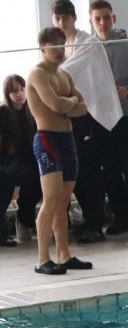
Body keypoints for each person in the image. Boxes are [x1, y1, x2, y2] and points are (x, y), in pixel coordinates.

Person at [52, 0, 123, 243]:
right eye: (57, 18)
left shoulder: (88, 43)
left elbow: (64, 72)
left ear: (74, 18)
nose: (62, 22)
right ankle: (88, 219)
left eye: (66, 17)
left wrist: (43, 76)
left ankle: (95, 224)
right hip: (71, 116)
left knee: (91, 171)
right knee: (76, 171)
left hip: (92, 116)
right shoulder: (57, 44)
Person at [26, 27, 92, 274]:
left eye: (62, 45)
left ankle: (63, 254)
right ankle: (42, 259)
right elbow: (56, 104)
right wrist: (70, 102)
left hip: (67, 140)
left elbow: (84, 107)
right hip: (48, 140)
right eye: (53, 46)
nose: (59, 50)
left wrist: (69, 104)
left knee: (63, 201)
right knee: (51, 199)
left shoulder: (65, 75)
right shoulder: (37, 74)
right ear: (42, 48)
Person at [88, 0, 128, 236]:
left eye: (106, 17)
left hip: (127, 117)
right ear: (91, 21)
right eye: (97, 18)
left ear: (113, 18)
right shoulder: (87, 49)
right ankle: (120, 219)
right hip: (101, 120)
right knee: (110, 172)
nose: (102, 22)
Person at [0, 75, 41, 245]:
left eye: (22, 89)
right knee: (22, 178)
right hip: (10, 160)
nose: (19, 94)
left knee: (39, 179)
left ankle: (25, 220)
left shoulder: (32, 108)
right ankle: (21, 223)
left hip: (31, 158)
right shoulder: (3, 112)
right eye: (14, 91)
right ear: (7, 94)